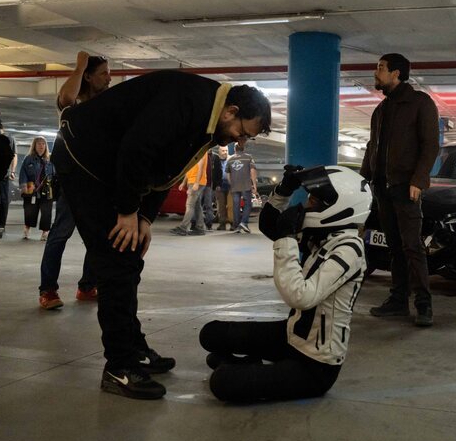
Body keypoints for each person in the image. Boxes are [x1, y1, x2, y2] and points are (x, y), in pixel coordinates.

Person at [51, 72, 271, 399]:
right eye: (242, 132)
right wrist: (127, 211)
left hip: (112, 166)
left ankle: (133, 348)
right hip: (83, 159)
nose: (239, 142)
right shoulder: (188, 103)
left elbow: (164, 170)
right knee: (115, 258)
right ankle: (119, 367)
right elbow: (137, 149)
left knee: (130, 252)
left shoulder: (209, 122)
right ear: (231, 111)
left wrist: (143, 218)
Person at [200, 165, 370, 403]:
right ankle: (257, 364)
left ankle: (254, 366)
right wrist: (284, 190)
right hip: (291, 338)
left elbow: (300, 296)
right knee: (210, 334)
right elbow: (271, 225)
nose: (307, 206)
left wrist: (287, 238)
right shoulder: (324, 235)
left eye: (314, 200)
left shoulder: (350, 250)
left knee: (223, 382)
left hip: (316, 365)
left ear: (339, 207)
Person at [360, 53, 440, 327]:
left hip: (407, 188)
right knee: (394, 247)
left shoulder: (420, 103)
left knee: (412, 246)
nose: (375, 73)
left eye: (380, 68)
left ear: (396, 73)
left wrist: (418, 180)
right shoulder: (380, 111)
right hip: (383, 189)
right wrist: (363, 180)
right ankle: (398, 301)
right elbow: (373, 147)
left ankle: (423, 304)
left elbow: (430, 145)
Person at [38, 51, 110, 309]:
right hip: (72, 181)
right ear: (88, 77)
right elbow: (67, 96)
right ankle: (47, 291)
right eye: (103, 74)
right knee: (60, 233)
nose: (109, 78)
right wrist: (80, 65)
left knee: (97, 235)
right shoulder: (74, 108)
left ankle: (87, 286)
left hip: (97, 182)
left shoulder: (106, 107)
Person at [19, 136, 55, 241]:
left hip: (46, 190)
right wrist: (24, 186)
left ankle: (45, 232)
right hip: (31, 189)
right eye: (39, 144)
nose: (41, 146)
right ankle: (27, 229)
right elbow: (23, 173)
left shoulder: (50, 159)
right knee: (30, 211)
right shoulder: (28, 158)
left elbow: (54, 174)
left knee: (46, 212)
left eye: (43, 144)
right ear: (34, 145)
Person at [170, 155, 208, 236]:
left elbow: (200, 168)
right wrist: (184, 182)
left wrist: (197, 183)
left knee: (189, 205)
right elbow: (189, 168)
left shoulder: (202, 152)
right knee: (197, 206)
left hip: (197, 182)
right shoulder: (196, 152)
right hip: (192, 181)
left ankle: (183, 228)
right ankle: (200, 228)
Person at [226, 142, 258, 233]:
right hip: (246, 185)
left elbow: (228, 174)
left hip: (235, 186)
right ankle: (244, 222)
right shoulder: (249, 157)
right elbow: (252, 171)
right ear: (243, 149)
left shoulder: (230, 159)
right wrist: (254, 185)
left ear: (235, 149)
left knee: (236, 205)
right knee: (248, 204)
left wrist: (231, 184)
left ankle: (236, 226)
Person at [211, 145, 232, 230]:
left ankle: (232, 224)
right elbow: (214, 173)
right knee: (221, 207)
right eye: (223, 151)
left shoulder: (231, 159)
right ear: (219, 151)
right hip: (220, 186)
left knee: (231, 206)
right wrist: (216, 185)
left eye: (226, 150)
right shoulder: (216, 159)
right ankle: (222, 224)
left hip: (231, 186)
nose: (225, 152)